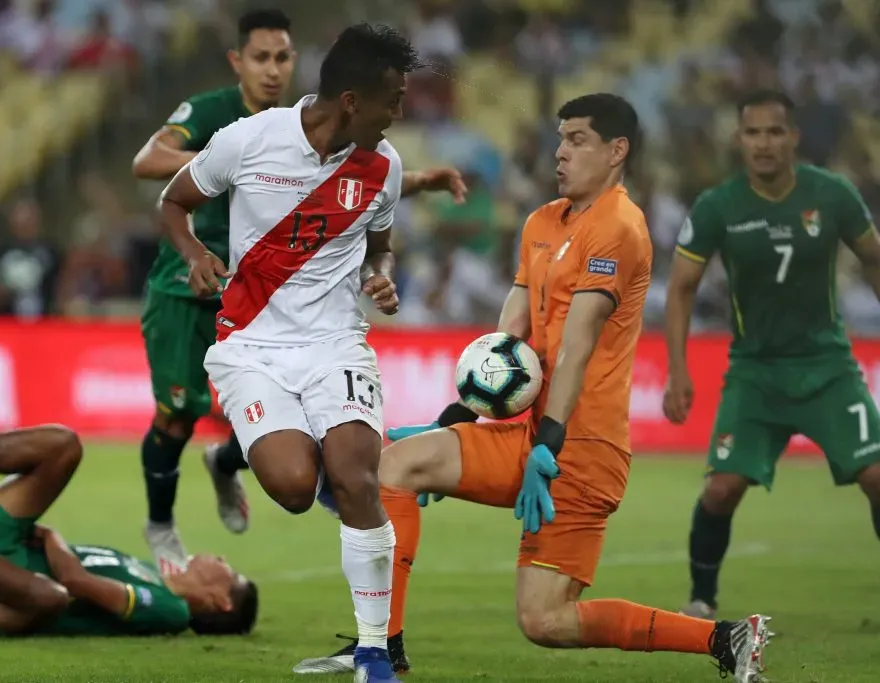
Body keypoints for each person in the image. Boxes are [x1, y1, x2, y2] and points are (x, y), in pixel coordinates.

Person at [294, 94, 772, 683]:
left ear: (616, 151)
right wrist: (456, 417)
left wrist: (550, 439)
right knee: (398, 466)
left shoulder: (620, 228)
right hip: (529, 433)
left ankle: (725, 639)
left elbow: (577, 344)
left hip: (582, 448)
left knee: (545, 621)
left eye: (577, 140)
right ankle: (381, 648)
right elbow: (505, 343)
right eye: (560, 138)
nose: (560, 152)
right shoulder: (542, 222)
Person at [131, 9, 466, 572]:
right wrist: (231, 167)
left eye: (282, 57)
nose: (272, 69)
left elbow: (350, 195)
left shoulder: (346, 135)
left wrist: (418, 182)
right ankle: (162, 526)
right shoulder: (225, 120)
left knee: (295, 424)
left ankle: (234, 462)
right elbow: (150, 164)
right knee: (177, 415)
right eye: (260, 57)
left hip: (274, 297)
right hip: (190, 281)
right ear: (238, 62)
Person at [156, 22, 423, 683]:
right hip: (252, 346)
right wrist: (194, 253)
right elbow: (175, 200)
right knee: (297, 486)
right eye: (393, 99)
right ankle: (238, 456)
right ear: (353, 100)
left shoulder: (383, 166)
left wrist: (377, 272)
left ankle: (372, 656)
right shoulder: (250, 141)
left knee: (360, 481)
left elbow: (379, 241)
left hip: (336, 341)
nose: (400, 113)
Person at [662, 89, 880, 619]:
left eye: (774, 131)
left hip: (828, 368)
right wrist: (678, 371)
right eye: (753, 132)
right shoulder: (718, 206)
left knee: (879, 477)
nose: (764, 143)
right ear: (739, 140)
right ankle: (701, 599)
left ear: (793, 138)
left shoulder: (832, 195)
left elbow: (874, 259)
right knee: (720, 489)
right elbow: (682, 287)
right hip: (756, 374)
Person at [0, 410, 257, 637]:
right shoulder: (148, 573)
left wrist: (54, 539)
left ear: (221, 602)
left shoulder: (172, 611)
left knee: (53, 598)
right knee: (64, 446)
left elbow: (76, 583)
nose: (221, 557)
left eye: (229, 569)